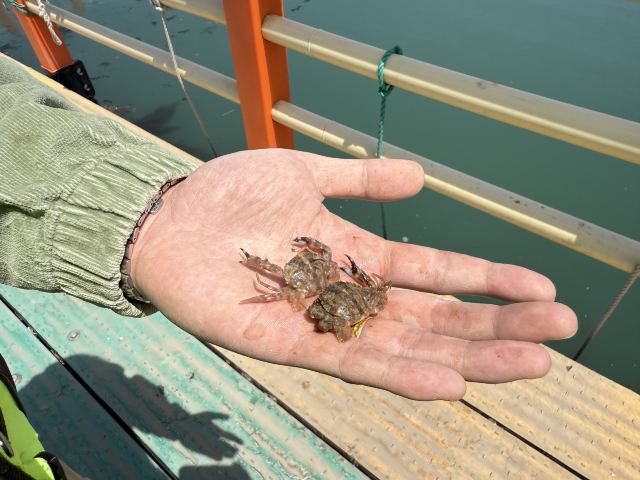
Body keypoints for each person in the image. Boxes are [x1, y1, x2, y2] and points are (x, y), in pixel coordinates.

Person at [0, 52, 577, 476]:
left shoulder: (319, 284)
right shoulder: (314, 285)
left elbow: (312, 288)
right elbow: (303, 288)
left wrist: (145, 216)